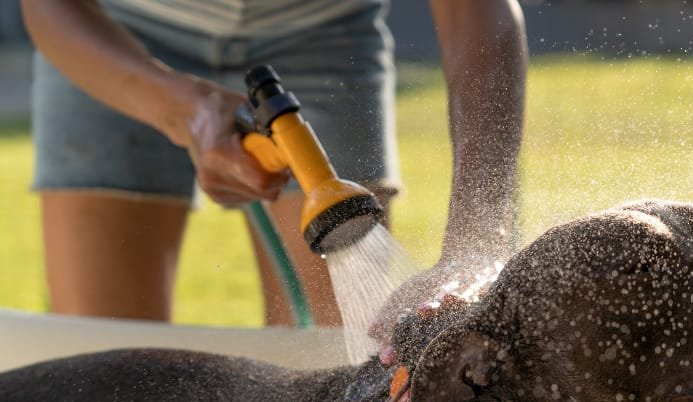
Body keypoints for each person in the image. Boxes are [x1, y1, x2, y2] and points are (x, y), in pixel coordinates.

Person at [20, 0, 527, 334]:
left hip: (320, 27)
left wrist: (476, 245)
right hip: (112, 27)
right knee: (104, 368)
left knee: (347, 365)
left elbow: (476, 9)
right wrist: (186, 110)